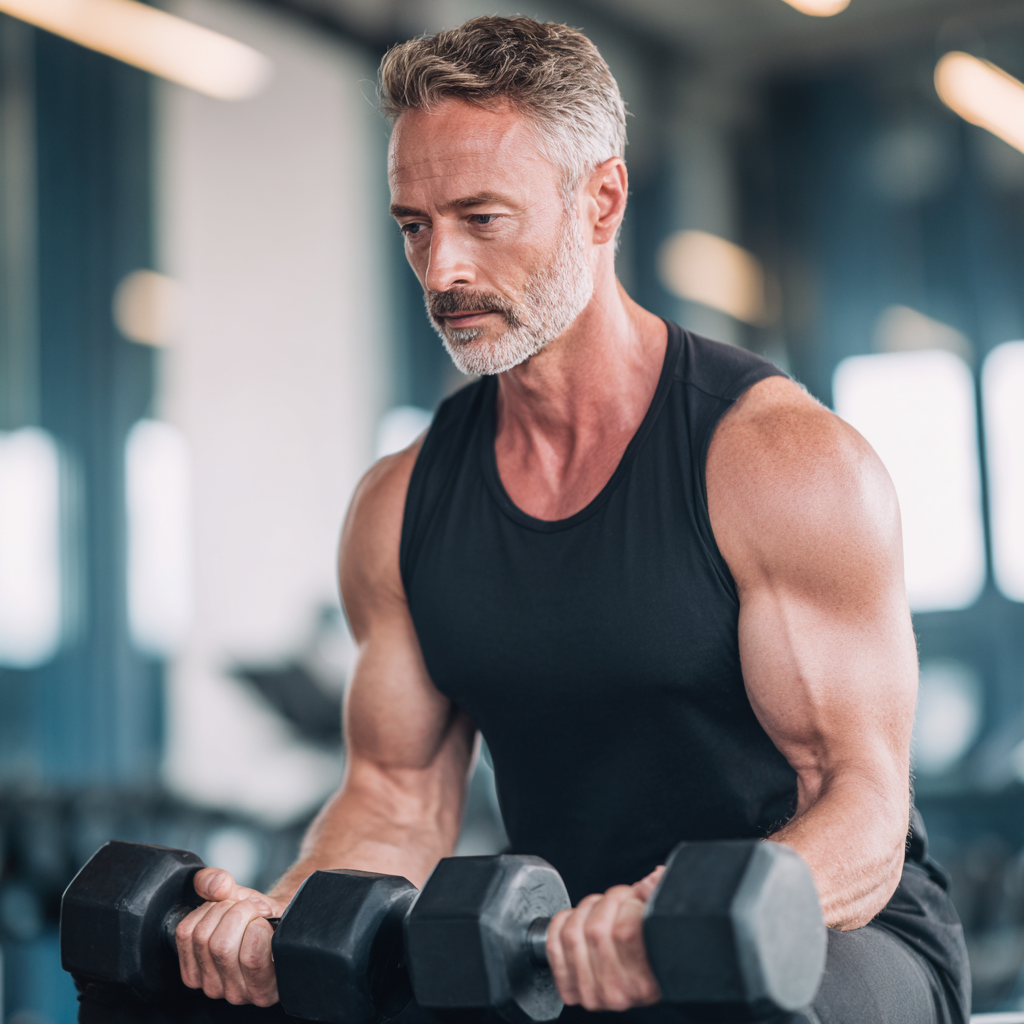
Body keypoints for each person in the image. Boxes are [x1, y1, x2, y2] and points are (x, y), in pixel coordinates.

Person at [173, 17, 970, 1024]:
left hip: (834, 938)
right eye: (414, 225)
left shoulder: (779, 463)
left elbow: (859, 810)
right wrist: (279, 916)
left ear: (600, 201)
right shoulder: (401, 504)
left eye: (481, 218)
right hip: (560, 939)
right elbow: (395, 799)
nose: (440, 271)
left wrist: (673, 916)